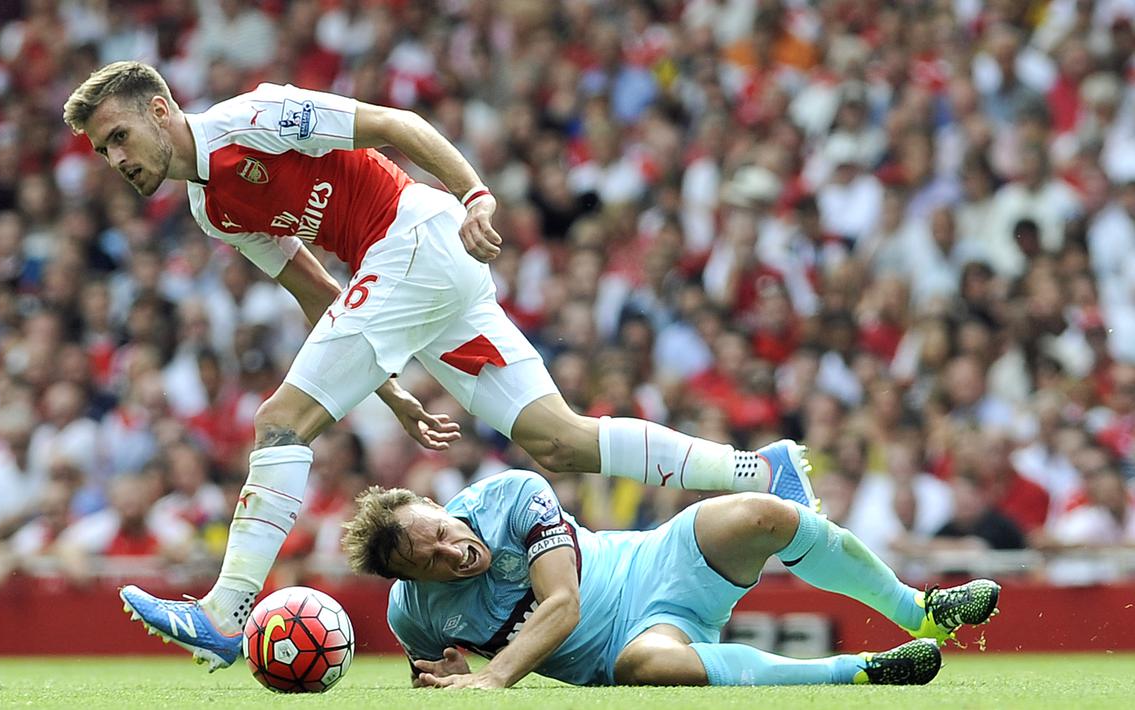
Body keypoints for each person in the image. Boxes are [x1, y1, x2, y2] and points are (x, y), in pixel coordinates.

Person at [63, 61, 816, 670]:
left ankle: (226, 613)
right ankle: (764, 472)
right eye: (103, 152)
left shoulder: (253, 119)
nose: (118, 159)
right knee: (557, 439)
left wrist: (475, 195)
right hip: (401, 279)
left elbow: (398, 126)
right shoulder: (213, 208)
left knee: (278, 424)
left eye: (120, 135)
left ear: (161, 109)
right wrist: (387, 389)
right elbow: (311, 285)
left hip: (416, 237)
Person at [343, 470, 1002, 689]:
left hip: (656, 559)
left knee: (761, 513)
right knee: (648, 665)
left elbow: (563, 604)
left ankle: (919, 608)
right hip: (627, 648)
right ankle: (861, 672)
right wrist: (450, 674)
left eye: (442, 531)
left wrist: (491, 676)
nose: (451, 551)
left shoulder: (510, 496)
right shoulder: (413, 612)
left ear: (439, 505)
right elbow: (431, 677)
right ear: (408, 581)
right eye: (427, 561)